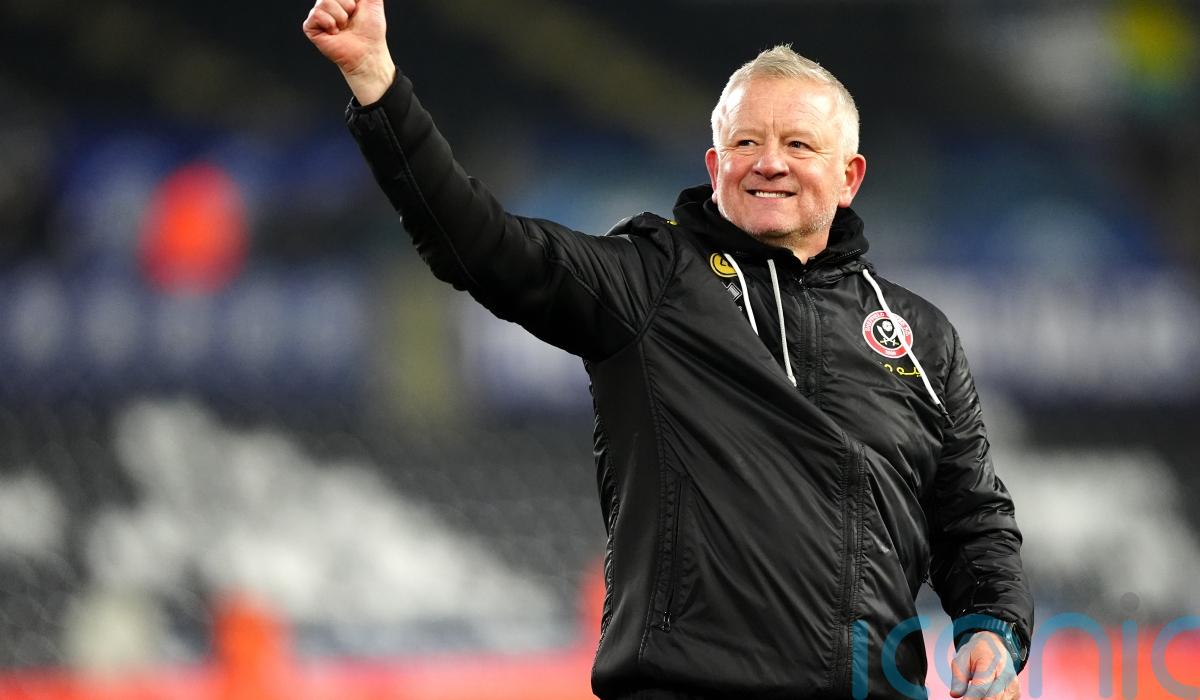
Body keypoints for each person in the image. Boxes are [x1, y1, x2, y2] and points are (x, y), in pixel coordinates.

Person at [303, 1, 1034, 698]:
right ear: (715, 168)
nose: (769, 162)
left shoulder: (919, 335)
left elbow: (973, 520)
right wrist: (375, 78)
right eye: (746, 142)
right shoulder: (652, 279)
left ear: (849, 177)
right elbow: (478, 242)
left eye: (798, 144)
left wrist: (993, 628)